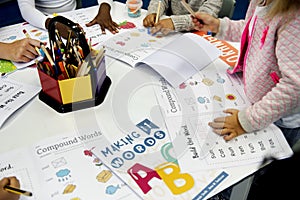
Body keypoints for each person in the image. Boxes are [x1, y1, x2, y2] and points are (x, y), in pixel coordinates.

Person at [191, 0, 300, 148]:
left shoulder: (294, 19)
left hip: (280, 118)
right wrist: (218, 26)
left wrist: (247, 121)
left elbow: (294, 86)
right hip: (256, 100)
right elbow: (252, 29)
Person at [17, 0, 119, 34]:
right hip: (42, 19)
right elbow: (26, 8)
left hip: (75, 15)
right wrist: (52, 24)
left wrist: (105, 6)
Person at [143, 0, 223, 35]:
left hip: (199, 34)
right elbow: (161, 1)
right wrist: (154, 12)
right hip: (172, 33)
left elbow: (207, 17)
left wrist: (174, 22)